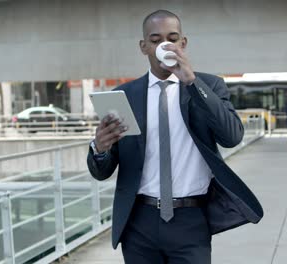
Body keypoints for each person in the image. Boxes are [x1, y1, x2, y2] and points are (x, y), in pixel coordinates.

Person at [87, 10, 263, 263]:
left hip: (191, 221)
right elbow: (101, 171)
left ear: (183, 43)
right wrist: (99, 148)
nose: (164, 46)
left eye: (172, 38)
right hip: (138, 223)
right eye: (156, 40)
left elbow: (232, 137)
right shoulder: (124, 95)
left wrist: (191, 82)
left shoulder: (209, 86)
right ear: (144, 46)